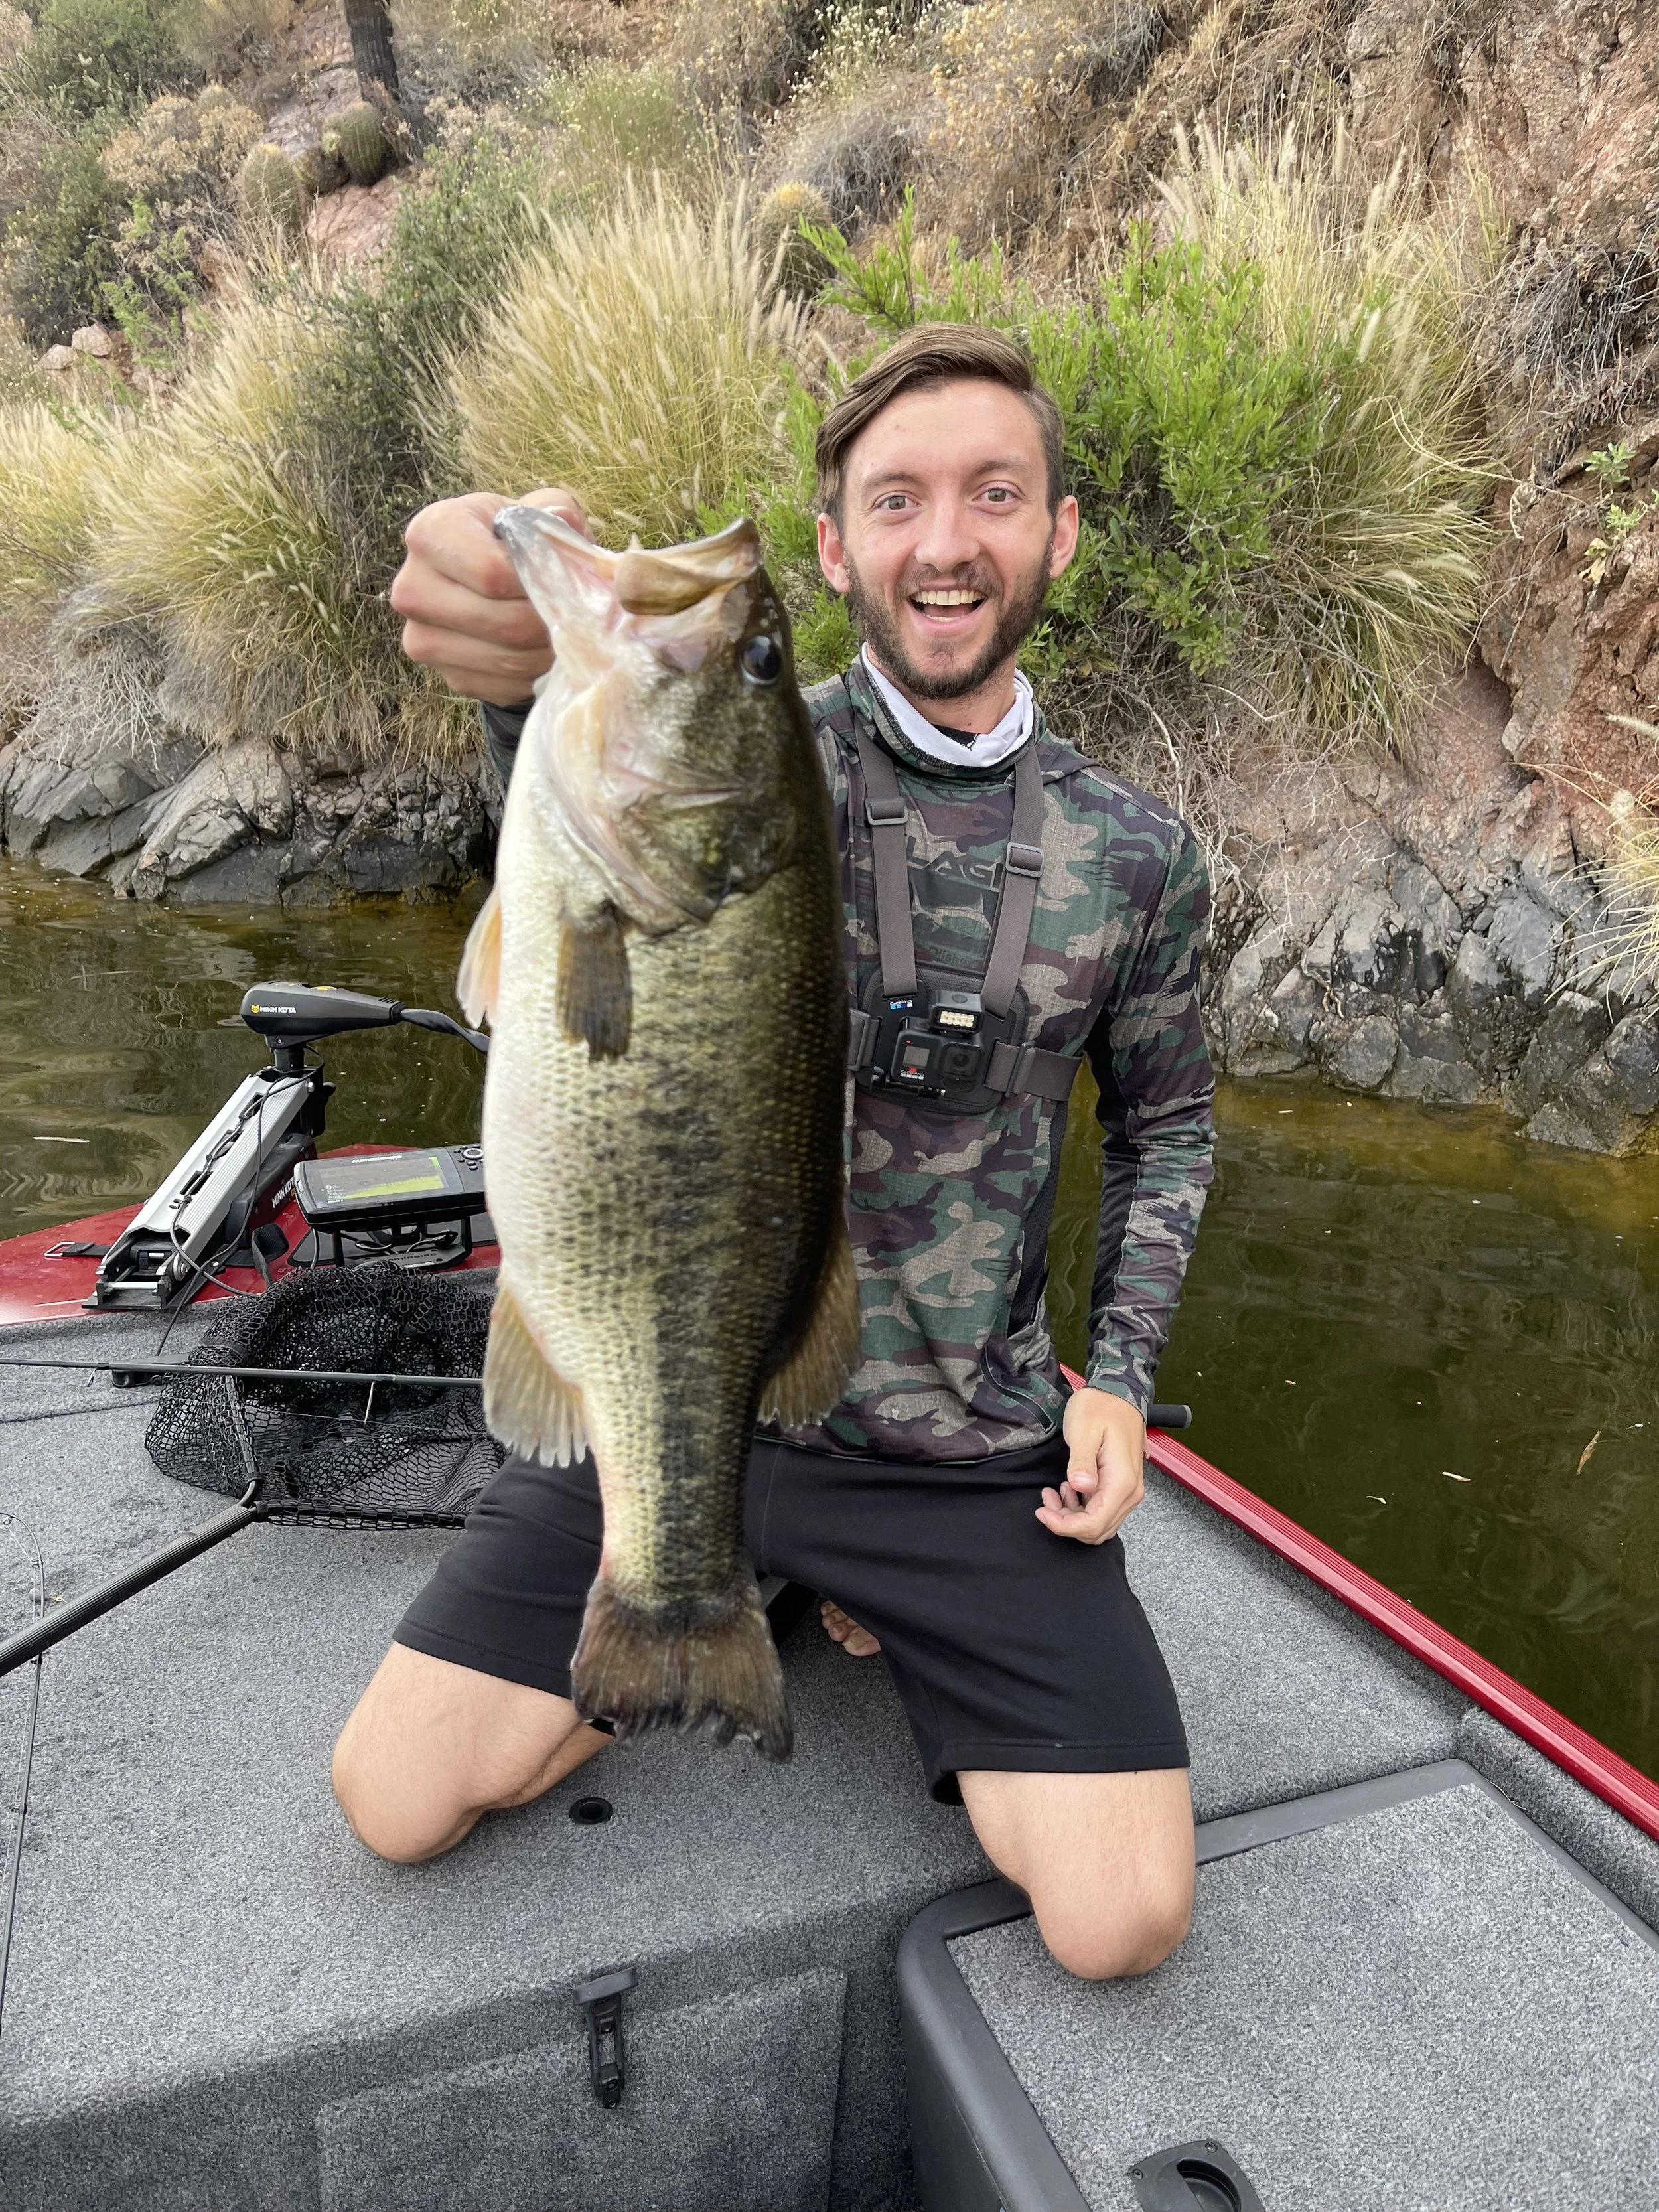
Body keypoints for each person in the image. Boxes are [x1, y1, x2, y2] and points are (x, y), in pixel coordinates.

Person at [332, 324, 1216, 1982]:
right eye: (894, 500)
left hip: (965, 1446)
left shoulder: (1141, 854)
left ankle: (839, 1599)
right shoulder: (747, 743)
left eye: (991, 494)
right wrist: (511, 650)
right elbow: (580, 823)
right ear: (835, 545)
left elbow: (1168, 1133)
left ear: (1057, 531)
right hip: (691, 1389)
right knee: (393, 1797)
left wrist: (1123, 1378)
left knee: (1120, 1920)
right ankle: (747, 1591)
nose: (942, 540)